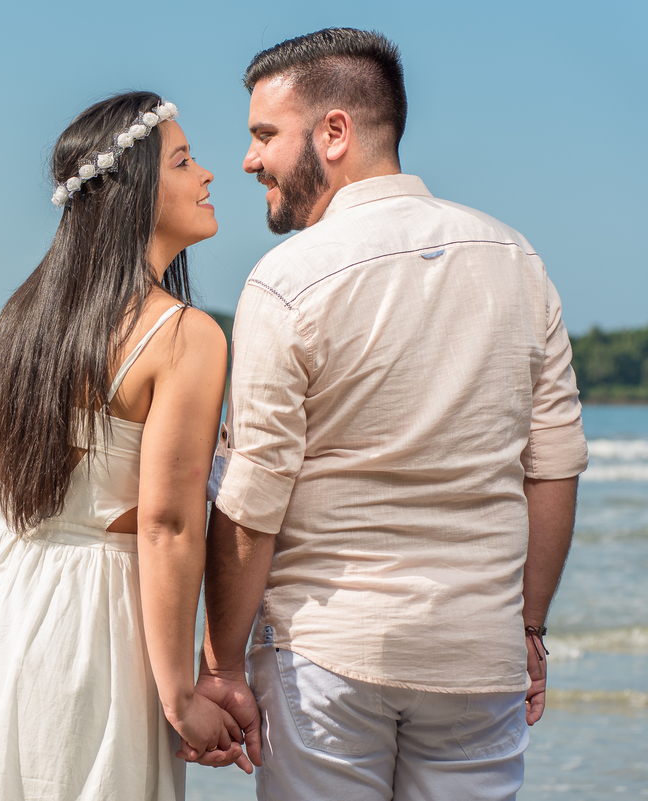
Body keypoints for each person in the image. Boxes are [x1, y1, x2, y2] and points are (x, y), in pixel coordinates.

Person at [189, 28, 589, 800]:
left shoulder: (286, 280)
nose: (248, 159)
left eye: (265, 134)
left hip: (327, 658)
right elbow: (554, 466)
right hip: (479, 657)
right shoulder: (519, 260)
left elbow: (253, 496)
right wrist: (528, 626)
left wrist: (223, 665)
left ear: (334, 132)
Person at [0, 91, 248, 801]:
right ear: (135, 193)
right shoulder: (184, 336)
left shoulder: (16, 321)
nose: (207, 175)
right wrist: (180, 692)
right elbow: (169, 525)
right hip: (90, 617)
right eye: (183, 160)